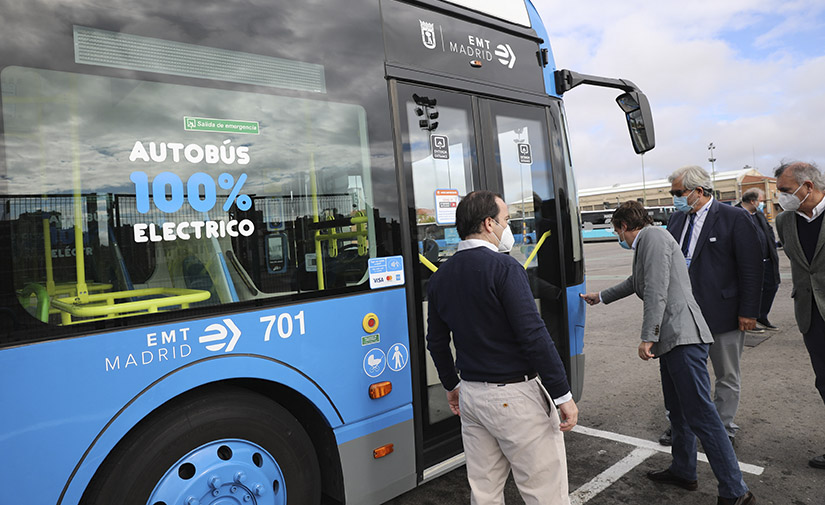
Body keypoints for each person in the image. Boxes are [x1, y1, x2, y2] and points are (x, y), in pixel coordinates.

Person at [581, 201, 755, 505]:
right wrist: (602, 296)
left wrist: (648, 337)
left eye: (616, 230)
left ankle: (736, 491)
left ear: (623, 225)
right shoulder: (650, 241)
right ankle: (684, 470)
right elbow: (638, 282)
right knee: (678, 412)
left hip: (682, 337)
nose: (618, 236)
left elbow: (657, 289)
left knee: (703, 416)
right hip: (674, 339)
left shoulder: (652, 238)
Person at [426, 190, 578, 505]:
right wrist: (562, 394)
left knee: (485, 491)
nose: (507, 226)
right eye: (506, 220)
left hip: (471, 395)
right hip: (515, 397)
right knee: (544, 492)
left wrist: (452, 385)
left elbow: (437, 341)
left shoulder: (441, 277)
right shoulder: (506, 268)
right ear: (488, 223)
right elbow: (533, 335)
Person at [659, 166, 763, 446]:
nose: (674, 199)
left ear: (698, 191)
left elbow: (751, 268)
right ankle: (682, 425)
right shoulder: (677, 220)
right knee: (686, 375)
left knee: (726, 373)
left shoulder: (734, 218)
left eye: (678, 193)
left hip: (723, 312)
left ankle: (723, 426)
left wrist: (749, 311)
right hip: (684, 314)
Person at [773, 161, 825, 470]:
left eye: (785, 190)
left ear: (808, 187)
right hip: (810, 314)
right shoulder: (784, 222)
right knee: (824, 382)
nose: (781, 197)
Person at [737, 188, 781, 330]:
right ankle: (751, 319)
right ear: (752, 201)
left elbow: (768, 232)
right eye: (761, 201)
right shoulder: (735, 214)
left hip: (767, 261)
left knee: (771, 287)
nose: (761, 204)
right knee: (752, 291)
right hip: (749, 263)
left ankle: (762, 316)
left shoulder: (758, 214)